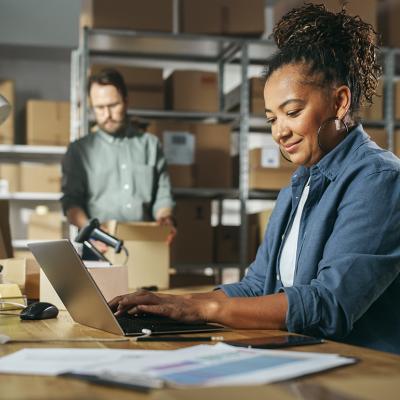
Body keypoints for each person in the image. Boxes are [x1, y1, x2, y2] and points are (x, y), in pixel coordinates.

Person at [109, 4, 400, 354]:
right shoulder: (300, 186)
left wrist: (205, 308)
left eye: (291, 112)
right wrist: (176, 303)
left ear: (340, 102)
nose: (280, 132)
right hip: (309, 358)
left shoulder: (380, 180)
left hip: (367, 372)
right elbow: (258, 285)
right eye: (271, 119)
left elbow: (329, 305)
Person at [61, 68, 176, 248]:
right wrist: (93, 231)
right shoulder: (79, 151)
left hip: (145, 244)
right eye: (99, 107)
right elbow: (71, 203)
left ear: (126, 102)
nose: (107, 114)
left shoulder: (150, 145)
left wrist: (165, 218)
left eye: (113, 105)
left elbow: (163, 196)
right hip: (99, 246)